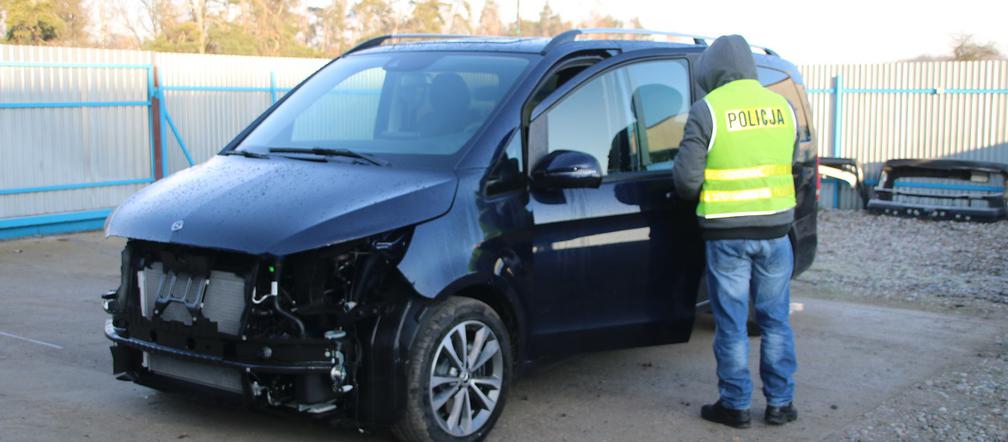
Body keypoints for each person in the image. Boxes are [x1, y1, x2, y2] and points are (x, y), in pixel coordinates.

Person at [671, 34, 799, 429]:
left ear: (713, 70)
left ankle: (735, 406)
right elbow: (787, 161)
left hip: (727, 237)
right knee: (775, 320)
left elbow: (687, 182)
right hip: (777, 231)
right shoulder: (783, 107)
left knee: (731, 324)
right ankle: (780, 404)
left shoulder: (707, 110)